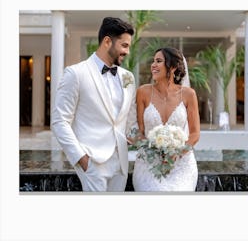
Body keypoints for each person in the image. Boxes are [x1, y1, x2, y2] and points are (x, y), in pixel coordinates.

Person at [51, 17, 137, 192]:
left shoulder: (128, 77)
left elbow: (126, 116)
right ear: (107, 41)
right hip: (92, 161)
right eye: (124, 45)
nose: (127, 52)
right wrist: (82, 159)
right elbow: (60, 121)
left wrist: (132, 136)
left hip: (120, 161)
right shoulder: (75, 73)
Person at [132, 47, 200, 191]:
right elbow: (139, 131)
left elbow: (194, 134)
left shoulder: (189, 94)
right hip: (149, 163)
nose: (153, 65)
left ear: (173, 67)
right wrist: (152, 150)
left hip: (181, 163)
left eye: (159, 61)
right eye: (153, 61)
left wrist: (177, 152)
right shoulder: (143, 92)